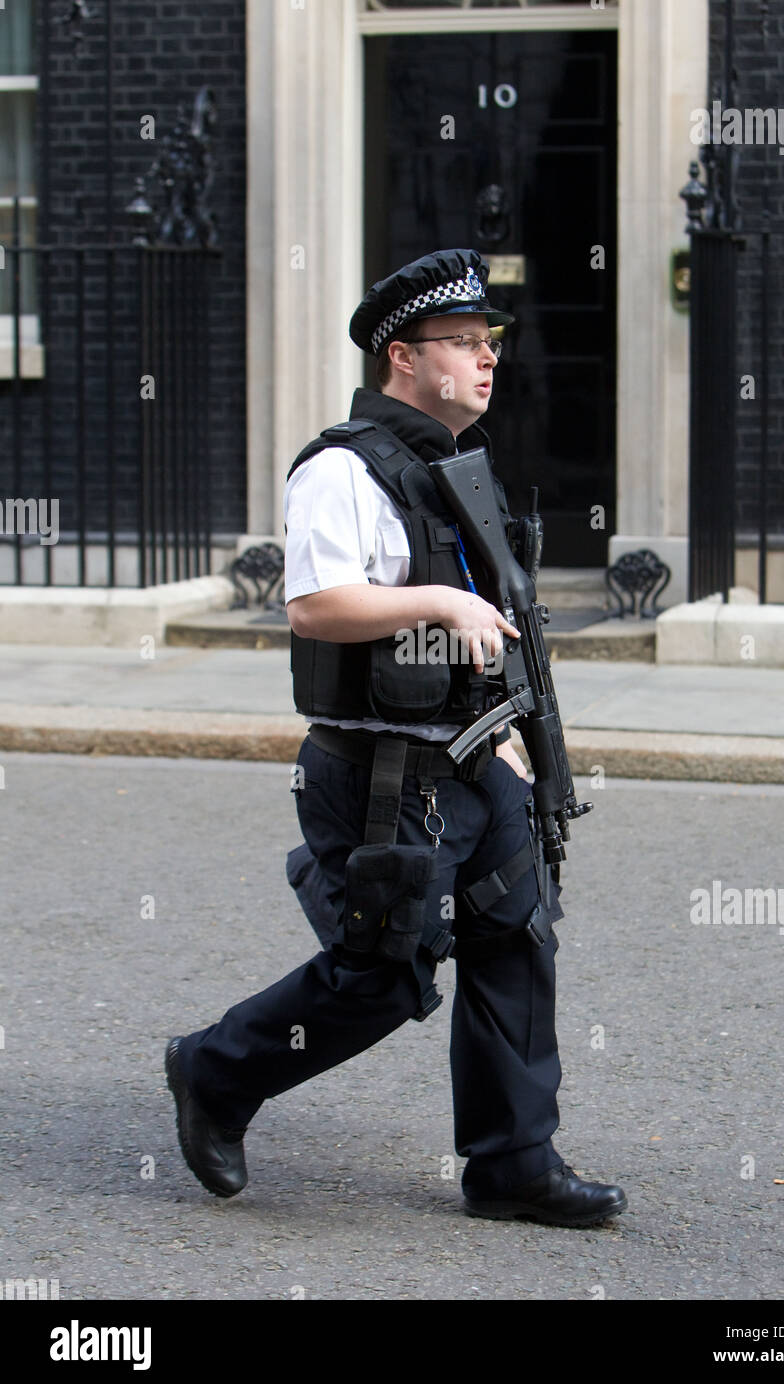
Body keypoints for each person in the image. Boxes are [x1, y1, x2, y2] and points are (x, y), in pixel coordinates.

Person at [165, 249, 627, 1227]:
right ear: (401, 359)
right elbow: (315, 606)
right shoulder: (343, 468)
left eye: (487, 341)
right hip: (381, 774)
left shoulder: (455, 467)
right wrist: (435, 601)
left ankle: (511, 1161)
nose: (485, 358)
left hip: (469, 757)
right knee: (382, 978)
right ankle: (213, 1069)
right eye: (461, 343)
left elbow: (498, 624)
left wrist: (505, 730)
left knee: (515, 937)